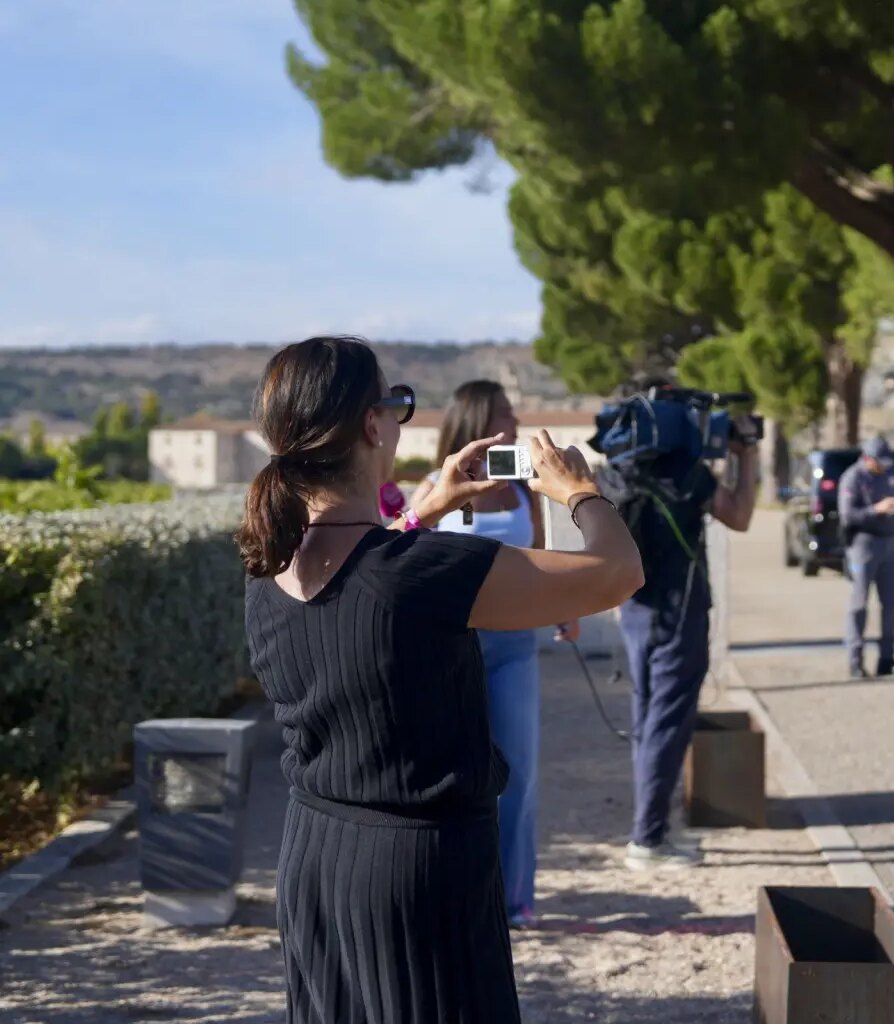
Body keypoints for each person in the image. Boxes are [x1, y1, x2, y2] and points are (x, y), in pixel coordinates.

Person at [238, 336, 644, 1024]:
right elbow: (618, 572)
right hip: (419, 871)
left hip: (314, 857)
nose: (398, 420)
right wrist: (580, 492)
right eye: (396, 403)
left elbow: (360, 579)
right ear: (372, 425)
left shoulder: (268, 571)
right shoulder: (428, 572)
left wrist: (424, 507)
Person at [412, 380, 578, 930]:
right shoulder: (435, 486)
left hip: (514, 648)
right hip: (445, 651)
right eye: (506, 411)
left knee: (519, 775)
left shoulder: (524, 491)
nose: (516, 420)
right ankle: (454, 893)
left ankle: (513, 899)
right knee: (448, 775)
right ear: (479, 418)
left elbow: (543, 558)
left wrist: (564, 606)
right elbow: (403, 561)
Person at [608, 377, 759, 871]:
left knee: (647, 721)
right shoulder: (688, 475)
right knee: (667, 725)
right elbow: (738, 516)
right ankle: (648, 839)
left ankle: (650, 828)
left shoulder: (621, 467)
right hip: (680, 612)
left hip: (634, 608)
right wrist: (747, 453)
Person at [839, 435, 894, 678]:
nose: (884, 466)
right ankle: (855, 661)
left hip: (889, 542)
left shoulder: (890, 473)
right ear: (867, 458)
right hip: (863, 543)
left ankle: (887, 658)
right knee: (859, 604)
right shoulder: (853, 478)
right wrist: (875, 509)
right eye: (880, 461)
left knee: (891, 603)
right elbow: (848, 515)